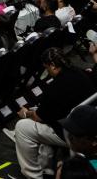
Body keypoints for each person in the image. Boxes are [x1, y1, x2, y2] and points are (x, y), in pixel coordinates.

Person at [6, 48, 96, 179]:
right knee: (42, 122)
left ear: (52, 65)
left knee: (23, 127)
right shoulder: (80, 72)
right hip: (89, 120)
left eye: (46, 67)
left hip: (73, 133)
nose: (46, 71)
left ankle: (33, 176)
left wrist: (26, 113)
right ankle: (46, 169)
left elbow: (39, 118)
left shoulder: (55, 87)